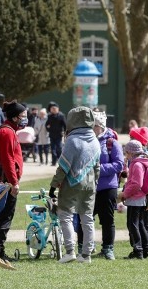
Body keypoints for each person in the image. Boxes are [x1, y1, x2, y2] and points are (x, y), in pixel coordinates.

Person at [49, 106, 101, 264]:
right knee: (87, 218)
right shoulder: (94, 140)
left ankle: (70, 251)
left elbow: (63, 167)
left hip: (72, 184)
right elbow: (97, 166)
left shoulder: (72, 140)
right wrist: (95, 183)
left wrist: (53, 186)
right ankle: (86, 255)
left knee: (65, 216)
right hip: (90, 184)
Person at [77, 110, 124, 260]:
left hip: (107, 187)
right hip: (87, 187)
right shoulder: (85, 141)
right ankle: (84, 247)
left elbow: (119, 165)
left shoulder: (112, 143)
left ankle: (108, 248)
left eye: (93, 126)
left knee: (107, 219)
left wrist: (98, 170)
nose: (91, 129)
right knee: (84, 217)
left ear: (100, 126)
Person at [0, 100, 27, 262]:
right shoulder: (7, 133)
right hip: (5, 182)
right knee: (4, 217)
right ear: (15, 117)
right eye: (23, 116)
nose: (25, 118)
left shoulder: (9, 131)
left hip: (3, 181)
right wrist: (14, 182)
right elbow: (7, 160)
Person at [120, 140, 148, 259]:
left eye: (127, 153)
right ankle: (147, 249)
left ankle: (138, 250)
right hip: (142, 198)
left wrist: (125, 194)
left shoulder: (136, 164)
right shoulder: (145, 161)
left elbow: (136, 184)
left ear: (131, 152)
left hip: (135, 198)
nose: (126, 155)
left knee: (133, 225)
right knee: (140, 224)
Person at [45, 102, 67, 167]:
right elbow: (46, 124)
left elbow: (65, 125)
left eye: (55, 108)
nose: (53, 110)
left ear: (58, 109)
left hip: (59, 135)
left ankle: (60, 161)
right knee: (52, 149)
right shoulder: (49, 116)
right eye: (52, 109)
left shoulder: (61, 115)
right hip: (52, 135)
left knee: (59, 148)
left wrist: (65, 132)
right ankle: (53, 162)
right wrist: (48, 129)